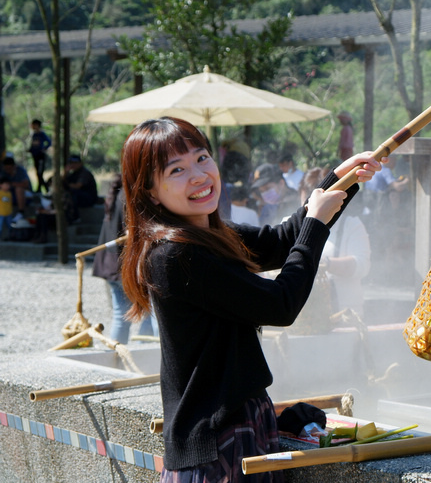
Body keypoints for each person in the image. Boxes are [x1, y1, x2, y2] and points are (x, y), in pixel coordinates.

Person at [118, 116, 382, 481]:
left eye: (202, 158)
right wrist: (316, 226)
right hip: (217, 441)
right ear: (149, 191)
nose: (198, 175)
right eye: (176, 170)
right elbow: (279, 304)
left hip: (241, 424)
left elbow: (281, 239)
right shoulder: (175, 255)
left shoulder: (211, 235)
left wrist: (340, 178)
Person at [92, 174, 158, 343]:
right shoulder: (128, 197)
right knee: (150, 312)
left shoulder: (114, 197)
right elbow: (133, 231)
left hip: (110, 264)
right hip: (123, 265)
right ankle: (146, 352)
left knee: (121, 315)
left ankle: (116, 355)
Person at [301, 168, 371, 317]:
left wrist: (325, 263)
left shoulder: (351, 224)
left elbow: (362, 265)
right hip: (304, 316)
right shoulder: (289, 223)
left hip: (346, 313)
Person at [63, 154, 98, 221]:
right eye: (71, 163)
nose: (73, 165)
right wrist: (65, 173)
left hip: (89, 199)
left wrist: (68, 185)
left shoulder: (84, 172)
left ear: (80, 163)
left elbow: (77, 186)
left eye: (75, 163)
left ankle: (75, 217)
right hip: (80, 198)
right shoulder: (73, 173)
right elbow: (63, 183)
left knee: (72, 193)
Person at [28, 119, 51, 193]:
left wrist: (44, 148)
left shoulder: (42, 134)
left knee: (40, 173)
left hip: (41, 156)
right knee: (38, 173)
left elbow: (49, 142)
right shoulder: (34, 134)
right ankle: (41, 190)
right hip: (35, 156)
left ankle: (43, 189)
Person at [0, 175, 12, 240]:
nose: (7, 186)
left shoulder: (9, 193)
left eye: (8, 185)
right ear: (1, 185)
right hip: (1, 213)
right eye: (6, 184)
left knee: (10, 226)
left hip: (8, 213)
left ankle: (10, 236)